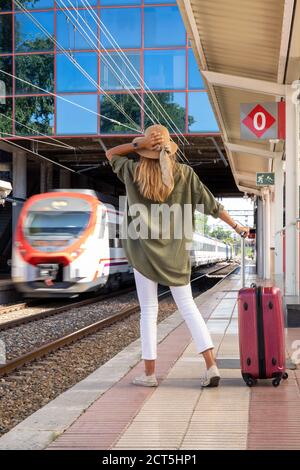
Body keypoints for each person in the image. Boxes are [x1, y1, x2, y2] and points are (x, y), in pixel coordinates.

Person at [105, 124, 249, 388]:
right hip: (176, 252)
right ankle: (211, 365)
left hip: (142, 252)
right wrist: (238, 227)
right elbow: (212, 206)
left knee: (149, 311)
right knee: (188, 308)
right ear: (170, 150)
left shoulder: (132, 171)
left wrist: (138, 143)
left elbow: (112, 153)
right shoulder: (185, 174)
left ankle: (149, 375)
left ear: (144, 151)